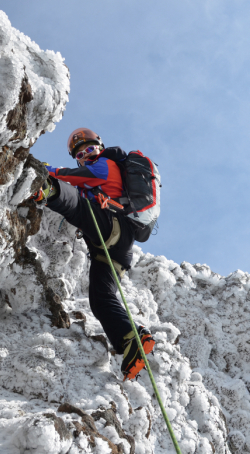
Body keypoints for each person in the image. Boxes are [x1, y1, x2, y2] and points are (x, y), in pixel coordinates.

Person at [33, 128, 155, 381]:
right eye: (81, 154)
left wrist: (46, 171)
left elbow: (75, 176)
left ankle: (47, 188)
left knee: (75, 203)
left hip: (113, 227)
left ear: (99, 148)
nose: (86, 156)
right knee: (100, 298)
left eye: (90, 149)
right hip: (115, 248)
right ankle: (131, 338)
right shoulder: (101, 168)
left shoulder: (105, 165)